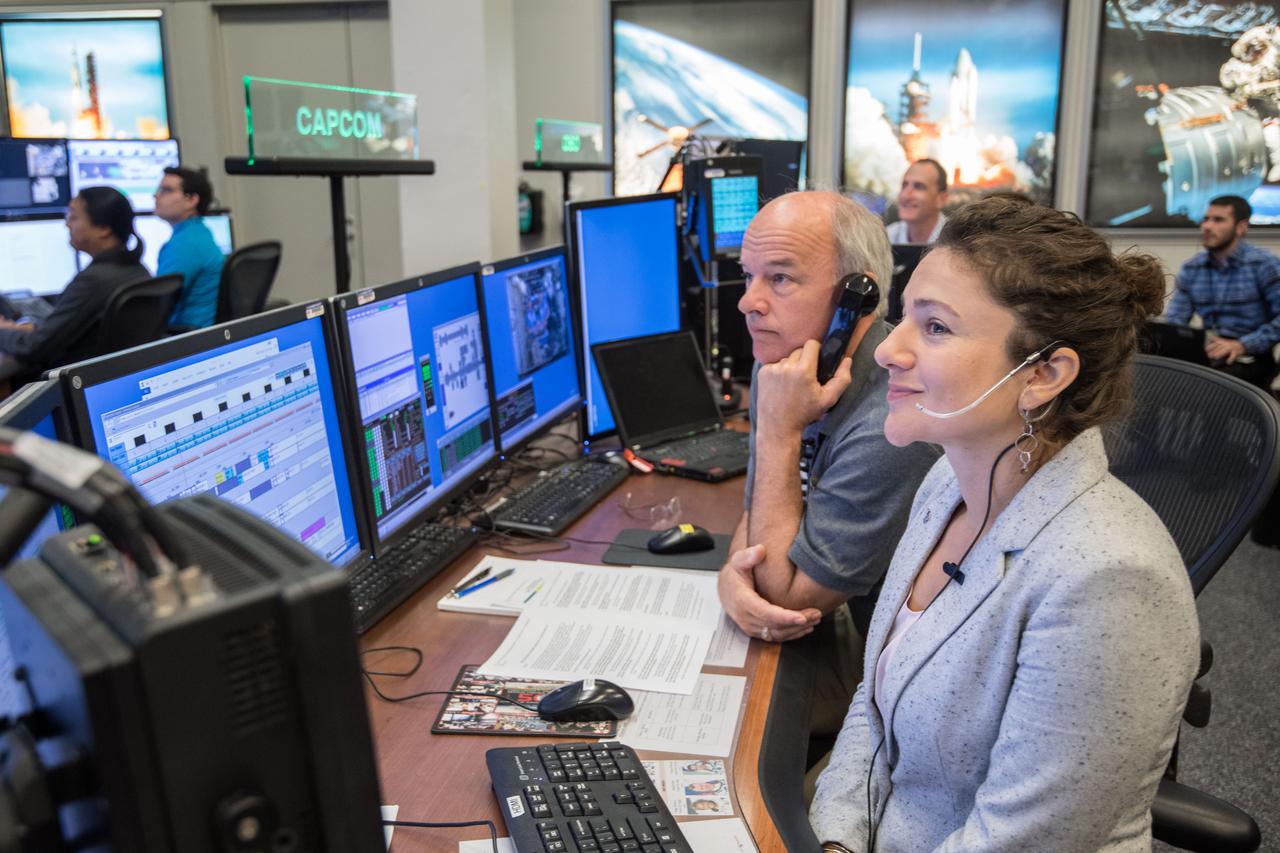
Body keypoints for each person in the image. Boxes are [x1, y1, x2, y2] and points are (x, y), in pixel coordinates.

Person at [810, 197, 1199, 851]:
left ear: (1043, 373)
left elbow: (1015, 841)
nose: (889, 352)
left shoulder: (1108, 580)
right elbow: (872, 707)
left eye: (935, 328)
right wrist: (835, 839)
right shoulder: (948, 481)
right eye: (906, 316)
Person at [718, 191, 938, 733]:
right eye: (748, 277)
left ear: (855, 297)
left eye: (780, 279)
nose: (749, 302)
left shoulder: (895, 421)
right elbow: (757, 526)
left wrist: (775, 431)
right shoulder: (792, 369)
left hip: (884, 675)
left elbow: (783, 597)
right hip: (826, 624)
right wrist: (730, 576)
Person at [0, 187, 151, 376]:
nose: (67, 224)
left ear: (103, 229)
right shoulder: (137, 270)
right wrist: (34, 328)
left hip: (70, 385)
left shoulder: (94, 280)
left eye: (73, 217)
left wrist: (3, 332)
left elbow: (34, 348)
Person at [1166, 194, 1280, 390]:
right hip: (1210, 351)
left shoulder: (1263, 264)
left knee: (1209, 386)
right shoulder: (1192, 268)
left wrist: (1243, 345)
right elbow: (1176, 320)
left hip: (1251, 356)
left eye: (1218, 220)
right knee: (1157, 378)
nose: (1207, 226)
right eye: (1206, 219)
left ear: (1241, 227)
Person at [155, 166, 225, 329]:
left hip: (187, 340)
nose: (156, 195)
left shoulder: (183, 245)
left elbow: (155, 307)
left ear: (192, 200)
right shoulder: (200, 232)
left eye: (166, 190)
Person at [885, 159, 948, 245]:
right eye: (904, 186)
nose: (905, 195)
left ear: (941, 199)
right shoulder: (886, 238)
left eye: (919, 186)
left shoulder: (960, 241)